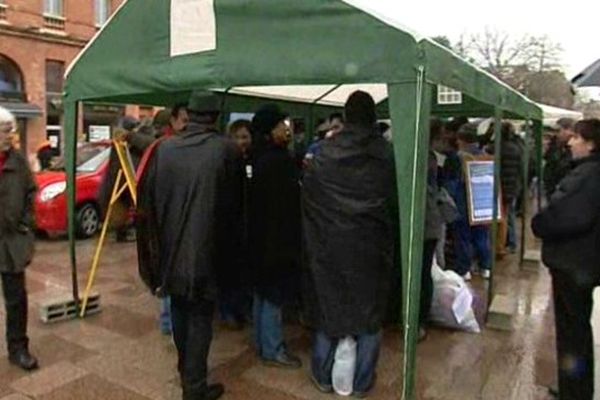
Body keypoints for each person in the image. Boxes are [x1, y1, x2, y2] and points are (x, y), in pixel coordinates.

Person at [136, 93, 241, 400]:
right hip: (207, 252)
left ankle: (188, 377)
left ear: (191, 114)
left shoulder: (164, 149)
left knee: (181, 313)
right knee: (199, 320)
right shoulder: (226, 150)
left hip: (170, 251)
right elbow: (235, 210)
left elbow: (148, 206)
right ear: (216, 116)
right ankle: (193, 388)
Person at [303, 91, 395, 396]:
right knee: (369, 318)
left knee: (330, 311)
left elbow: (310, 199)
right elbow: (395, 204)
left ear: (344, 114)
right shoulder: (387, 153)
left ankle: (323, 375)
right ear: (373, 116)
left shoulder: (325, 152)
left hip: (330, 244)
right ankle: (361, 382)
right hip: (371, 246)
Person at [532, 119, 600, 400]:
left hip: (574, 263)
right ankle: (574, 386)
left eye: (577, 138)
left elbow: (566, 216)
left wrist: (539, 223)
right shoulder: (587, 172)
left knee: (573, 334)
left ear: (591, 143)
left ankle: (575, 392)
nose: (570, 142)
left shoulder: (588, 176)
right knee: (576, 331)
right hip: (581, 262)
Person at [248, 104, 302, 369]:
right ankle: (273, 348)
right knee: (274, 296)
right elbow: (286, 206)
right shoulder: (278, 161)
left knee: (261, 293)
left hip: (258, 239)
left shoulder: (255, 156)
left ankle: (261, 343)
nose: (287, 129)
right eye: (282, 125)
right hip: (276, 240)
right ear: (271, 130)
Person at [0, 106, 38, 371]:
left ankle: (19, 348)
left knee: (16, 299)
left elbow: (31, 193)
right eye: (3, 130)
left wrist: (25, 223)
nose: (8, 134)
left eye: (9, 129)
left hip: (11, 241)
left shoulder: (19, 162)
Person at [445, 122, 491, 280]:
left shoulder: (458, 157)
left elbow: (454, 181)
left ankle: (464, 269)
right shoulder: (485, 155)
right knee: (481, 236)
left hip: (463, 200)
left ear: (462, 140)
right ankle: (485, 266)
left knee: (463, 236)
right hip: (481, 199)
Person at [496, 122, 524, 256]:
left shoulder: (498, 148)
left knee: (504, 218)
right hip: (513, 186)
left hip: (502, 187)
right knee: (509, 215)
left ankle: (506, 244)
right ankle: (511, 243)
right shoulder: (516, 148)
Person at [543, 118, 575, 200]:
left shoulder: (575, 148)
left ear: (569, 130)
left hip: (566, 190)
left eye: (559, 130)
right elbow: (549, 162)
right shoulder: (555, 145)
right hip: (552, 187)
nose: (557, 134)